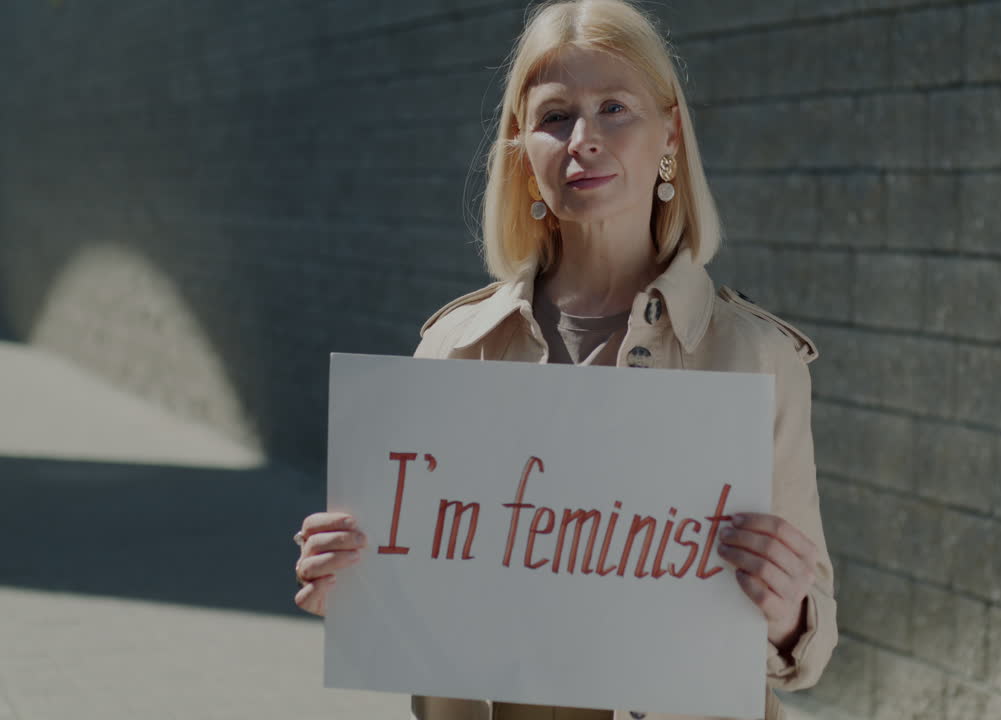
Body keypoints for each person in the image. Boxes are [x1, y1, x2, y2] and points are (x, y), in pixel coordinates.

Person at [291, 1, 837, 719]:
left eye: (614, 108)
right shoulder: (456, 350)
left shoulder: (756, 358)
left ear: (670, 134)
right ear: (521, 150)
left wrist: (787, 610)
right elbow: (420, 612)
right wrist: (355, 585)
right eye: (555, 116)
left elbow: (808, 647)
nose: (584, 140)